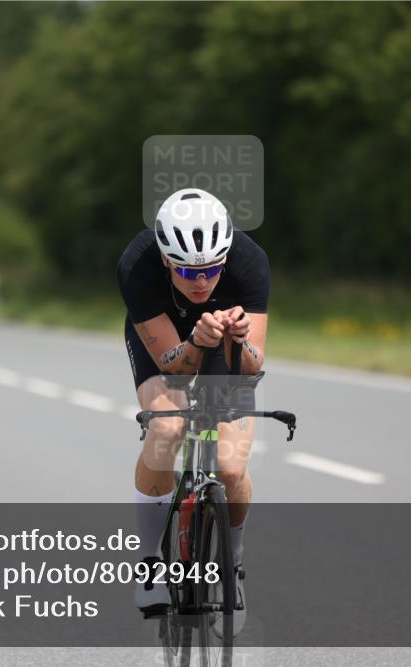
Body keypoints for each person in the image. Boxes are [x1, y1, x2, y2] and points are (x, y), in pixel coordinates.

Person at [116, 187, 269, 620]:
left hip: (224, 342)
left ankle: (232, 562)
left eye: (211, 270)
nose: (201, 281)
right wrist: (194, 342)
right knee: (166, 428)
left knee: (232, 465)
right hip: (165, 342)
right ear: (166, 259)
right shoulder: (137, 265)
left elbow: (253, 364)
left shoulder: (249, 261)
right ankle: (149, 564)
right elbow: (174, 368)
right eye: (186, 272)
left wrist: (236, 339)